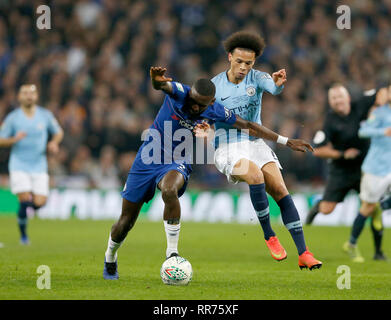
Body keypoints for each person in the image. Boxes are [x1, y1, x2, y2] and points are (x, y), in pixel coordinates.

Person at [103, 66, 314, 279]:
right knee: (126, 221)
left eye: (200, 105)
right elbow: (162, 84)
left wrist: (286, 141)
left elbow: (249, 125)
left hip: (178, 159)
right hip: (148, 158)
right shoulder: (181, 92)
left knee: (169, 190)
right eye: (193, 101)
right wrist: (155, 80)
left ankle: (172, 253)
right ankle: (110, 257)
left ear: (210, 103)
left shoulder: (216, 110)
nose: (193, 107)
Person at [211, 30, 322, 270]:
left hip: (255, 143)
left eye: (248, 63)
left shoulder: (257, 78)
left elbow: (272, 87)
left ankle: (304, 253)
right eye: (239, 61)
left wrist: (278, 85)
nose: (243, 67)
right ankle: (269, 234)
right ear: (229, 57)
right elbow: (202, 112)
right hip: (227, 147)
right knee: (255, 176)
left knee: (281, 191)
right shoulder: (215, 86)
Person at [306, 83, 388, 261]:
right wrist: (342, 154)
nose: (338, 101)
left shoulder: (360, 104)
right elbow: (318, 150)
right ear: (330, 103)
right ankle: (318, 206)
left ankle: (378, 252)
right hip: (340, 170)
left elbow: (381, 91)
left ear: (348, 98)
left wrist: (382, 99)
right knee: (327, 210)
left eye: (340, 97)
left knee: (372, 208)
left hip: (365, 168)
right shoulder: (329, 121)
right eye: (334, 99)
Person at [0, 84, 63, 244]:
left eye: (32, 93)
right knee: (24, 198)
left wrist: (54, 143)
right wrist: (14, 139)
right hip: (19, 164)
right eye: (25, 93)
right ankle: (23, 236)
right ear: (19, 97)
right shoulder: (13, 117)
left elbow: (58, 132)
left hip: (39, 165)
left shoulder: (45, 115)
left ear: (36, 96)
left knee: (40, 202)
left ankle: (24, 212)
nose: (29, 96)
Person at [343, 85, 391, 262]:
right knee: (368, 208)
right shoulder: (378, 113)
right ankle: (352, 244)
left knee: (374, 208)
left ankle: (383, 205)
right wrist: (382, 131)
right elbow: (363, 131)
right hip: (375, 169)